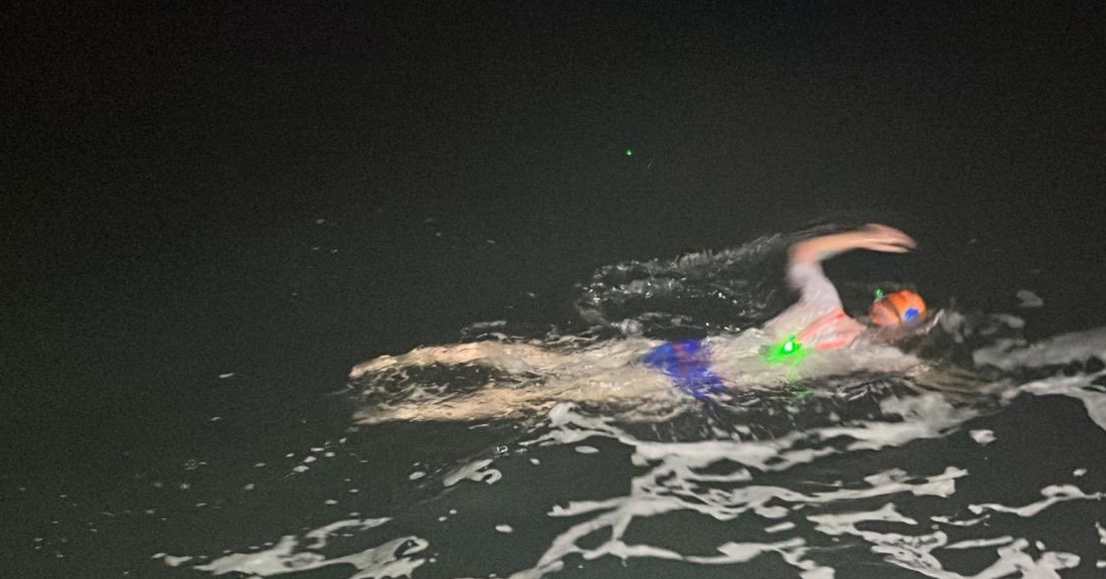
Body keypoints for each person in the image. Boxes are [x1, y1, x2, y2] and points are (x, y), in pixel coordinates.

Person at [349, 224, 936, 422]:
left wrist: (862, 235)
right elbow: (932, 379)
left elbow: (804, 253)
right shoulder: (873, 355)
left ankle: (399, 364)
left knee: (543, 361)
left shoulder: (822, 305)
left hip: (682, 352)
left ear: (873, 306)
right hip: (692, 381)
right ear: (898, 329)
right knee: (542, 396)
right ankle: (413, 408)